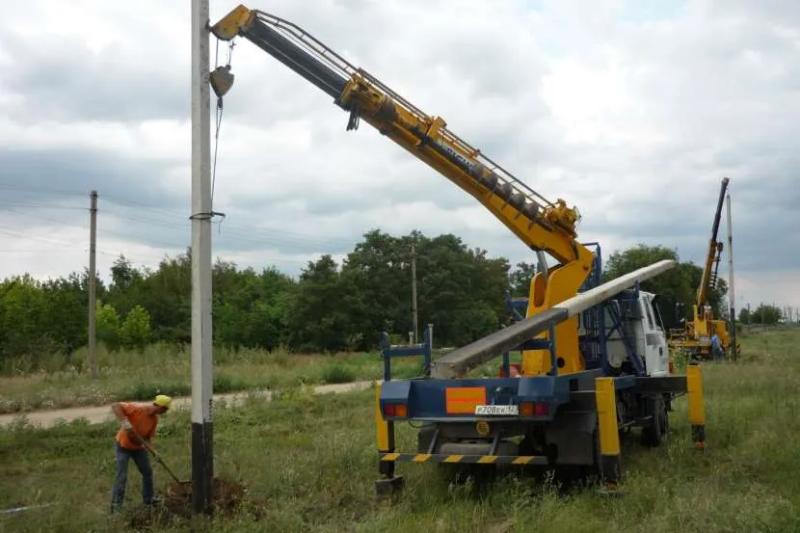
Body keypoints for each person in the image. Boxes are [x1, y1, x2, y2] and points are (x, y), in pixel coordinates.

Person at [110, 394, 171, 512]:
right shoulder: (137, 408)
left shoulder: (154, 420)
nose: (164, 412)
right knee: (121, 477)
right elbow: (115, 405)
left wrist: (154, 451)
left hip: (138, 448)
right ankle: (116, 508)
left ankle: (149, 499)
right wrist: (125, 422)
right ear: (159, 406)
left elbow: (147, 438)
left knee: (147, 472)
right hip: (123, 447)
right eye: (165, 409)